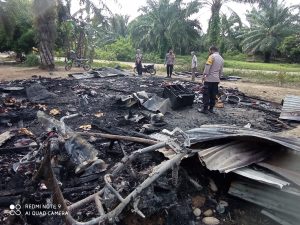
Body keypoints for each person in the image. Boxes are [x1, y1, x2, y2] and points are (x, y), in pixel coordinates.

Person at [199, 46, 224, 114]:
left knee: (206, 94)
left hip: (209, 79)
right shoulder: (221, 58)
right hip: (216, 80)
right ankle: (211, 108)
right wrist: (219, 78)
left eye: (209, 51)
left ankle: (205, 109)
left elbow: (207, 67)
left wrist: (204, 75)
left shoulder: (211, 57)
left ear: (211, 50)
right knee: (214, 94)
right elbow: (221, 70)